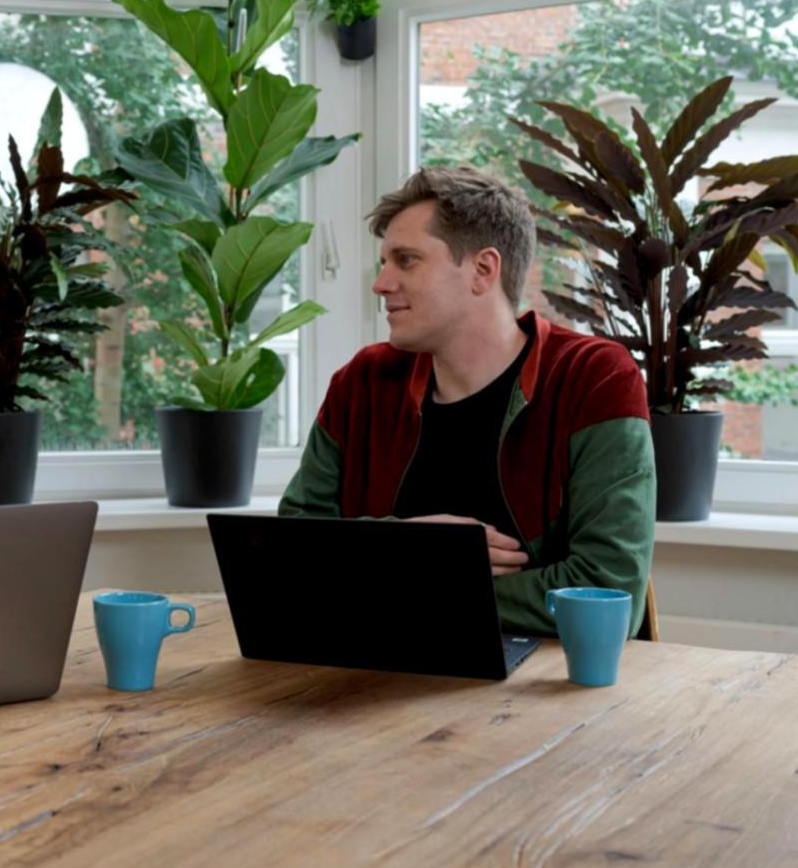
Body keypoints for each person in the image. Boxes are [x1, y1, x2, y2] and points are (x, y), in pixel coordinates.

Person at [279, 168, 655, 636]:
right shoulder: (363, 382)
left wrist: (412, 583)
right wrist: (410, 552)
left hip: (547, 691)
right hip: (376, 678)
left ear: (483, 270)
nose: (380, 283)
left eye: (406, 260)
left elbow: (606, 591)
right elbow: (289, 555)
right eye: (384, 262)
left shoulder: (592, 377)